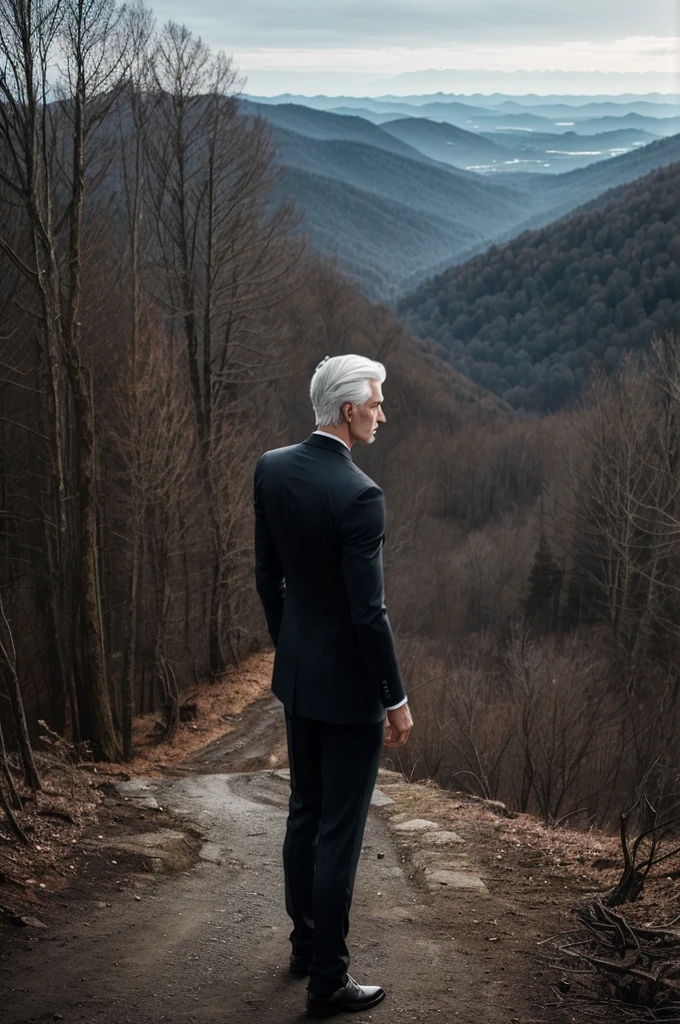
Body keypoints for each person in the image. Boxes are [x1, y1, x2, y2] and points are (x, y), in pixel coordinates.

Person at [253, 354, 413, 1019]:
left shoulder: (271, 467)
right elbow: (368, 614)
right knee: (340, 833)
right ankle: (328, 981)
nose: (382, 412)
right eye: (376, 402)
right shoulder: (361, 495)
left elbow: (267, 575)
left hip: (298, 676)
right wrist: (395, 699)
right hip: (349, 693)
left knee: (304, 813)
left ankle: (304, 946)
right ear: (348, 410)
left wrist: (290, 645)